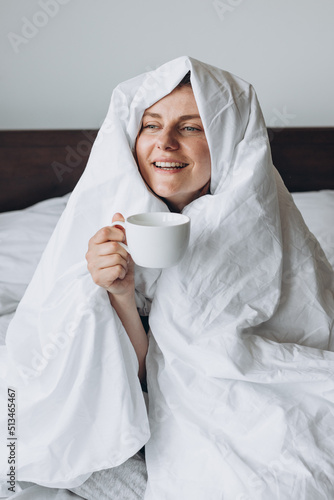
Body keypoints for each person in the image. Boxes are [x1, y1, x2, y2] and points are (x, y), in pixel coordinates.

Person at [1, 57, 334, 500]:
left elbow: (300, 337)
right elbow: (124, 380)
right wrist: (118, 293)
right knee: (25, 438)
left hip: (253, 404)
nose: (165, 143)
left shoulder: (265, 226)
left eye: (192, 128)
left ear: (229, 141)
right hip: (144, 411)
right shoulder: (108, 222)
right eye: (151, 125)